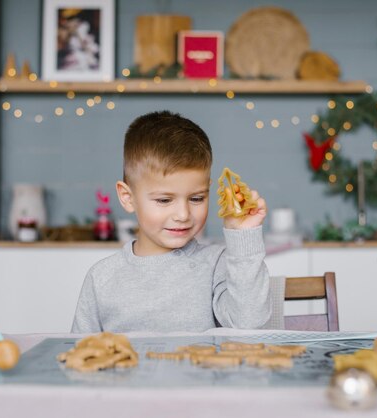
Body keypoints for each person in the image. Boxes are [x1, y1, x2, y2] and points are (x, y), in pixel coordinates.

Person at [71, 110, 271, 333]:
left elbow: (250, 323)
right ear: (128, 198)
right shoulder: (101, 277)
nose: (183, 214)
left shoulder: (217, 265)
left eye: (196, 198)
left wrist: (242, 236)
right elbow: (80, 353)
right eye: (164, 200)